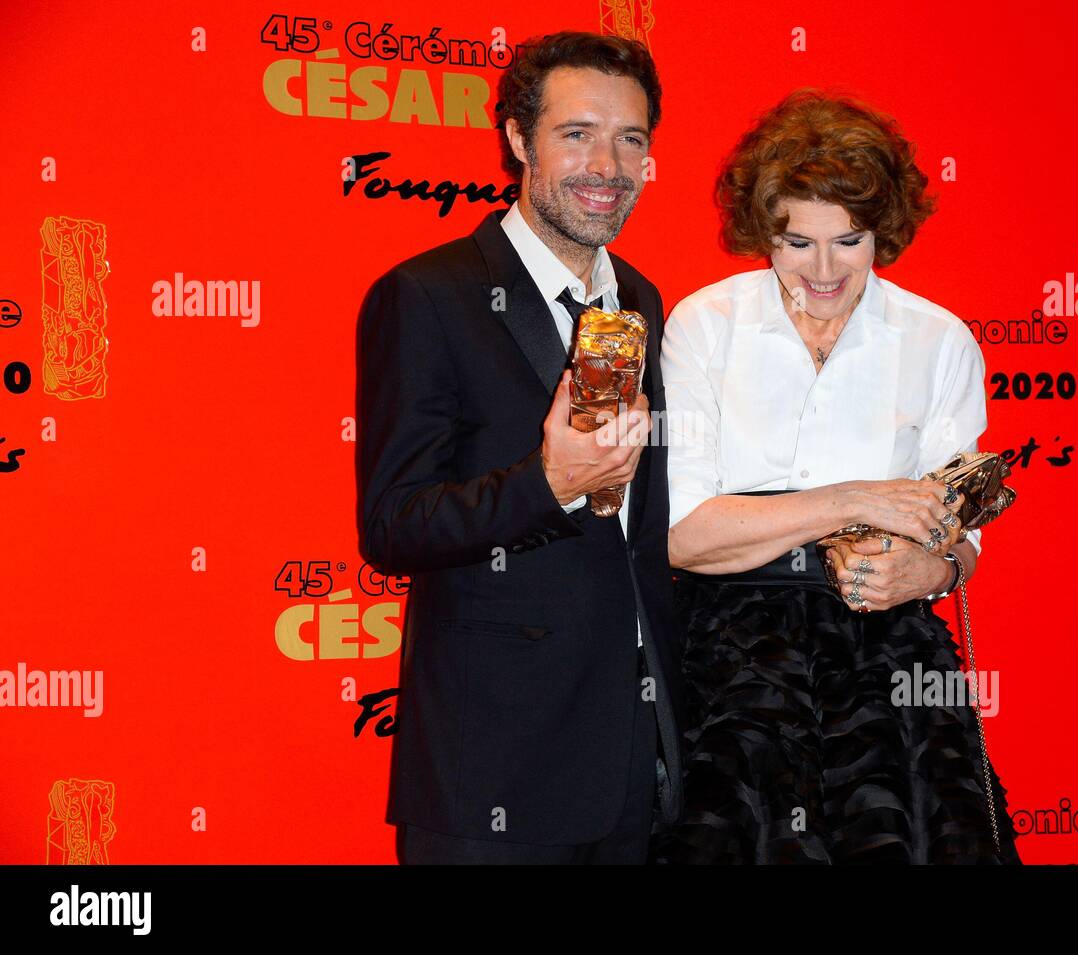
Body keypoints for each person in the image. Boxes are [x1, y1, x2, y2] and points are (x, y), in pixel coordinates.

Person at [652, 89, 1022, 864]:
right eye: (795, 243)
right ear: (763, 230)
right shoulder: (703, 326)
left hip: (890, 657)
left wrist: (930, 565)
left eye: (848, 241)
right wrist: (856, 499)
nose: (823, 271)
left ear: (882, 231)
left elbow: (963, 536)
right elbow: (684, 538)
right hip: (731, 658)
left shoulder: (938, 340)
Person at [355, 31, 683, 864]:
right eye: (577, 134)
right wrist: (546, 481)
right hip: (492, 771)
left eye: (631, 138)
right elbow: (394, 525)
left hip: (633, 768)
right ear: (517, 140)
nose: (607, 164)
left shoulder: (641, 298)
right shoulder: (427, 296)